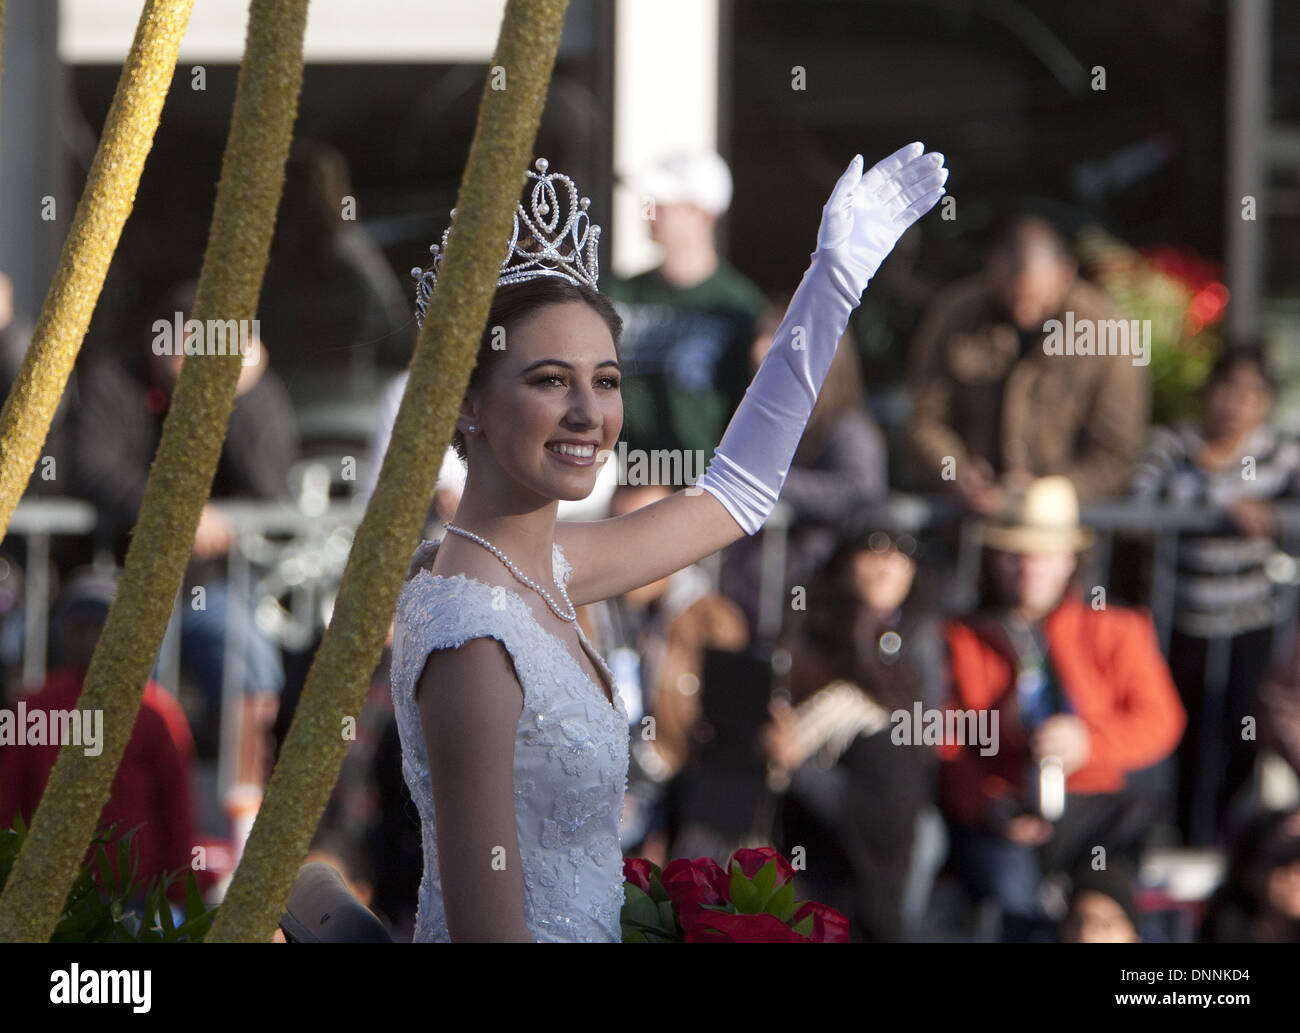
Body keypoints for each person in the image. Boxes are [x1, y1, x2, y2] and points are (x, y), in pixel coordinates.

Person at [388, 147, 948, 941]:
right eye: (550, 379)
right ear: (470, 402)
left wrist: (831, 286)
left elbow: (736, 493)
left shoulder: (541, 567)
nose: (589, 412)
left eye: (606, 379)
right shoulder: (475, 636)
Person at [938, 476, 1185, 941]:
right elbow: (945, 742)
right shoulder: (963, 638)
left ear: (1070, 560)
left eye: (1044, 555)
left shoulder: (1119, 628)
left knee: (1104, 916)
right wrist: (986, 804)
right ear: (994, 560)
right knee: (1013, 903)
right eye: (1016, 555)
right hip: (1007, 809)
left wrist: (1089, 742)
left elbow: (1161, 721)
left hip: (1101, 812)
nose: (1029, 569)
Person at [1131, 344, 1300, 844]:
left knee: (1243, 733)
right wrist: (1226, 504)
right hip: (1180, 623)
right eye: (1227, 390)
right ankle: (1183, 836)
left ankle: (1228, 841)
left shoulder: (1281, 453)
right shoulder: (1172, 444)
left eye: (1251, 394)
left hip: (1251, 623)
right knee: (1182, 735)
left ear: (1266, 403)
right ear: (1207, 393)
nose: (1236, 405)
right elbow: (1141, 501)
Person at [907, 213, 1148, 511]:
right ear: (992, 271)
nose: (1024, 314)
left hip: (1063, 534)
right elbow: (927, 420)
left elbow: (1117, 454)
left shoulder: (1108, 333)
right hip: (968, 524)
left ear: (1065, 273)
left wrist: (1046, 494)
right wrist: (955, 472)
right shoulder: (953, 316)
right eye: (1013, 299)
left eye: (1037, 301)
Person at [0, 570, 212, 902]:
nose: (90, 639)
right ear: (64, 633)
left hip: (135, 896)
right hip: (47, 896)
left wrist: (180, 886)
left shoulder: (157, 713)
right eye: (80, 628)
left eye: (100, 627)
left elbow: (176, 809)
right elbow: (8, 798)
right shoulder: (35, 705)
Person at [603, 151, 766, 461]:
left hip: (696, 486)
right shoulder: (615, 291)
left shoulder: (739, 307)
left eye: (661, 204)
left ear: (701, 213)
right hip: (608, 479)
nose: (647, 213)